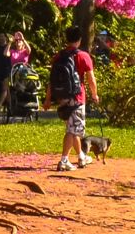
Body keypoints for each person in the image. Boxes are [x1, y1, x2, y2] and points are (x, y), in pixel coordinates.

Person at [50, 26, 99, 172]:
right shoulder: (83, 56)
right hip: (77, 97)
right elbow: (91, 78)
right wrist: (94, 94)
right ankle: (64, 160)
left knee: (73, 128)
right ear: (79, 40)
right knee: (72, 131)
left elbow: (51, 79)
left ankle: (81, 156)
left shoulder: (59, 56)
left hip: (63, 97)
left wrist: (48, 98)